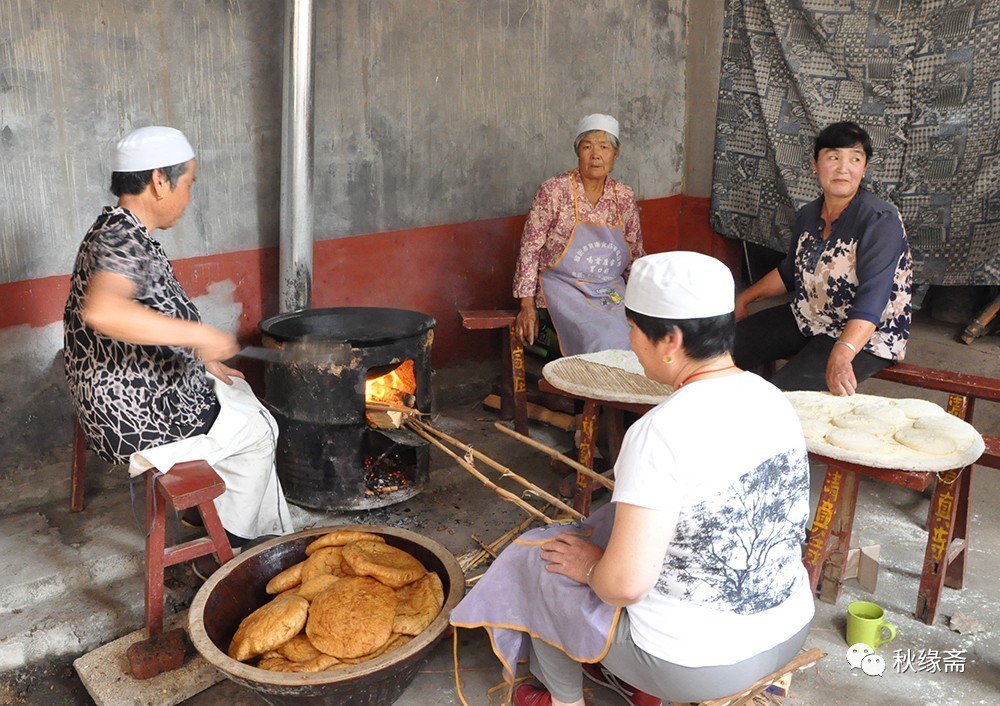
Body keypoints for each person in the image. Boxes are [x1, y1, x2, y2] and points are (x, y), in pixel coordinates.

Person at [451, 252, 814, 706]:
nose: (630, 341)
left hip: (694, 664)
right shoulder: (773, 399)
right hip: (788, 627)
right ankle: (629, 680)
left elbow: (624, 585)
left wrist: (588, 567)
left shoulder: (660, 431)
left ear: (670, 340)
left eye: (634, 329)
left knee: (541, 565)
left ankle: (565, 700)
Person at [64, 126, 292, 552]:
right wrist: (198, 334)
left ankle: (210, 514)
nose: (188, 197)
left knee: (235, 388)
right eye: (188, 183)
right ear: (159, 180)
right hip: (130, 411)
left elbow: (148, 316)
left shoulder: (119, 228)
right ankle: (228, 546)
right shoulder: (120, 237)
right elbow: (104, 311)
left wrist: (199, 357)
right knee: (261, 429)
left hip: (126, 386)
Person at [733, 121, 912, 395]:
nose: (843, 168)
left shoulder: (879, 220)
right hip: (811, 317)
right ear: (814, 164)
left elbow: (873, 298)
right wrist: (745, 298)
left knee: (781, 398)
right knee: (721, 349)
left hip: (867, 335)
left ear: (864, 169)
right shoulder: (809, 214)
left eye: (855, 159)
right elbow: (789, 272)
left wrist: (843, 351)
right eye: (833, 157)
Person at [512, 113, 645, 356]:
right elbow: (530, 249)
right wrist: (526, 304)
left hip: (609, 286)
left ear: (616, 154)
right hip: (563, 286)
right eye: (587, 146)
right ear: (578, 153)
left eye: (604, 147)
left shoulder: (624, 196)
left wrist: (645, 298)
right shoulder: (553, 190)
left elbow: (635, 253)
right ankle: (595, 392)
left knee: (642, 334)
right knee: (602, 338)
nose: (596, 154)